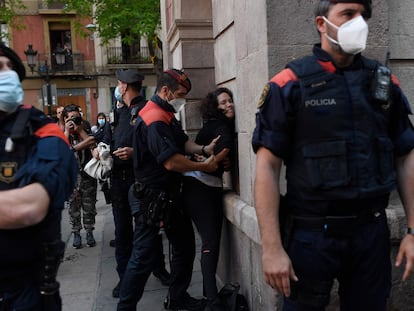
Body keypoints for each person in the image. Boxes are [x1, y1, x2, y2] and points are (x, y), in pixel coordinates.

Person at [252, 1, 414, 310]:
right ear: (322, 23)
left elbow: (406, 157)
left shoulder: (384, 83)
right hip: (311, 236)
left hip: (370, 233)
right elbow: (267, 168)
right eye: (349, 14)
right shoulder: (289, 84)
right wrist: (271, 248)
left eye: (364, 16)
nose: (360, 23)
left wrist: (412, 231)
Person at [117, 69, 219, 311]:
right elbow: (171, 161)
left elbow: (182, 141)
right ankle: (125, 306)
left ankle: (177, 298)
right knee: (144, 255)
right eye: (180, 94)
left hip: (170, 195)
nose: (181, 99)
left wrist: (204, 149)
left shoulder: (165, 114)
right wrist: (203, 165)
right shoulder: (153, 118)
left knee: (183, 247)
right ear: (165, 91)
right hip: (152, 196)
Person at [0, 43, 78, 310]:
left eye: (10, 68)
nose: (6, 74)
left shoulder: (43, 132)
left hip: (23, 293)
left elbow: (29, 207)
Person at [110, 69, 171, 299]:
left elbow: (156, 145)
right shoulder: (118, 112)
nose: (118, 87)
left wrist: (134, 152)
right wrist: (100, 149)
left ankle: (159, 269)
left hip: (139, 181)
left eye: (119, 84)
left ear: (124, 86)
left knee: (149, 229)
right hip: (118, 180)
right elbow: (109, 137)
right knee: (122, 232)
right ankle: (123, 278)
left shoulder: (147, 110)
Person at [182, 87, 236, 307]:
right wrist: (219, 159)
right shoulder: (221, 127)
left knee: (209, 242)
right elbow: (218, 155)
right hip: (200, 189)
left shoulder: (213, 126)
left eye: (230, 100)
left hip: (203, 188)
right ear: (214, 107)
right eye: (223, 102)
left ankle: (209, 294)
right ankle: (212, 301)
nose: (229, 104)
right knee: (210, 243)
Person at [63, 104, 98, 249]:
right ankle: (76, 233)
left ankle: (89, 232)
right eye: (70, 118)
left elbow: (92, 141)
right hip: (71, 177)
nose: (74, 120)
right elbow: (61, 149)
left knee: (89, 206)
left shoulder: (85, 128)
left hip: (87, 175)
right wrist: (66, 130)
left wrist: (79, 129)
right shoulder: (62, 133)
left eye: (76, 117)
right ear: (65, 119)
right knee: (73, 206)